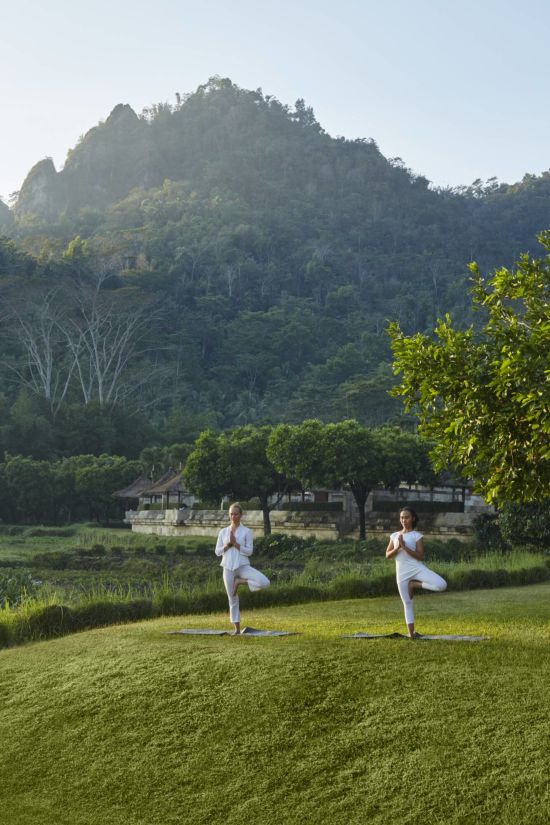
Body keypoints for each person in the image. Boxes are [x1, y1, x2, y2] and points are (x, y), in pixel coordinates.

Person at [385, 507, 447, 638]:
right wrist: (398, 547)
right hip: (401, 573)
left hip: (417, 569)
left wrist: (405, 547)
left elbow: (420, 556)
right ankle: (411, 633)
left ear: (413, 519)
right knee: (407, 603)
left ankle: (414, 585)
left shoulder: (416, 536)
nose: (404, 520)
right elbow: (388, 555)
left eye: (406, 517)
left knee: (442, 585)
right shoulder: (395, 535)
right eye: (402, 517)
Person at [215, 502, 270, 634]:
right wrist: (228, 545)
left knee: (264, 582)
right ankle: (237, 629)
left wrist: (236, 544)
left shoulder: (247, 532)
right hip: (227, 567)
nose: (233, 517)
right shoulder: (223, 532)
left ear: (241, 515)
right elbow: (217, 552)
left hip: (243, 566)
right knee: (232, 597)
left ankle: (240, 581)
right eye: (231, 514)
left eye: (236, 514)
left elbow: (249, 551)